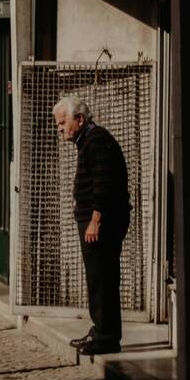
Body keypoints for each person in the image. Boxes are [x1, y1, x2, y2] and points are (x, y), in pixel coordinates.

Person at [52, 96, 131, 355]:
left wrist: (95, 221)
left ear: (79, 119)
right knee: (98, 278)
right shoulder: (87, 141)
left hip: (102, 223)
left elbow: (103, 184)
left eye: (62, 122)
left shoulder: (96, 140)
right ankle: (100, 331)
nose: (59, 128)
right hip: (96, 220)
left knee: (102, 278)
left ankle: (106, 338)